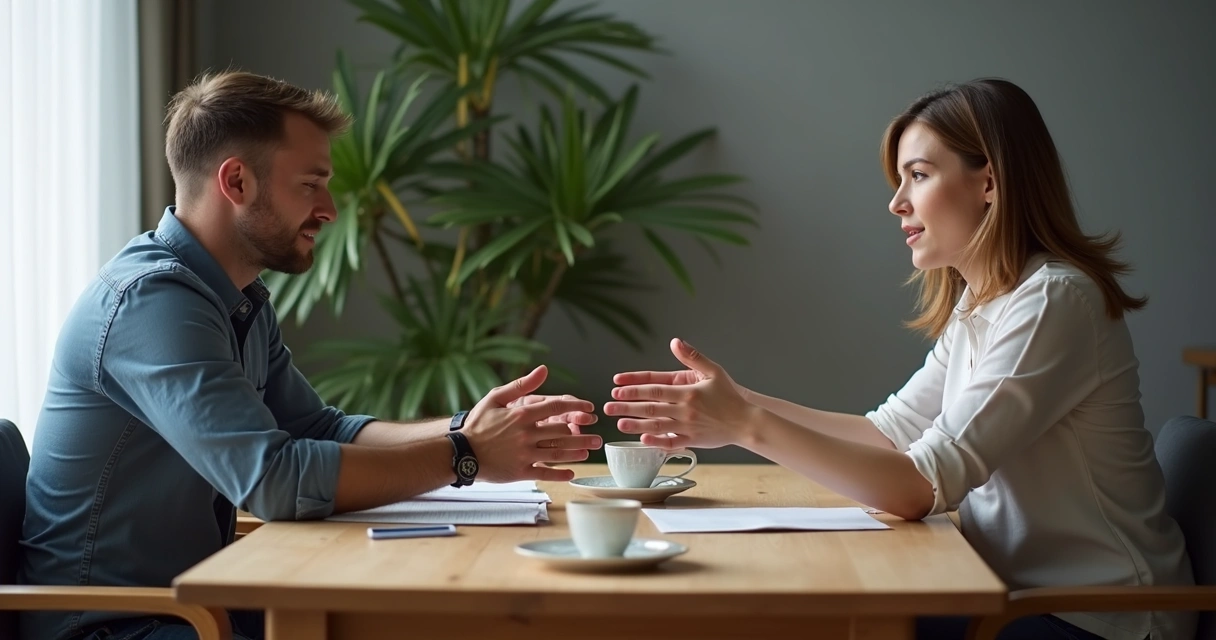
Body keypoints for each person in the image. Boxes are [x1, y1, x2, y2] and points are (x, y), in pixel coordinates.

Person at [19, 71, 602, 640]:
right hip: (113, 624)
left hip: (200, 611)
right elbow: (274, 480)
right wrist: (464, 456)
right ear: (237, 181)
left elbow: (320, 428)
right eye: (309, 184)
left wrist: (467, 429)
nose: (329, 209)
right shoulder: (153, 305)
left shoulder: (236, 297)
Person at [605, 78, 1194, 640]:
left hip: (1098, 621)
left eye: (918, 175)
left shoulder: (1052, 301)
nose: (896, 203)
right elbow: (888, 435)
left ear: (989, 182)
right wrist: (740, 402)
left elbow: (918, 488)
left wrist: (745, 424)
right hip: (1014, 599)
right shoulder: (985, 301)